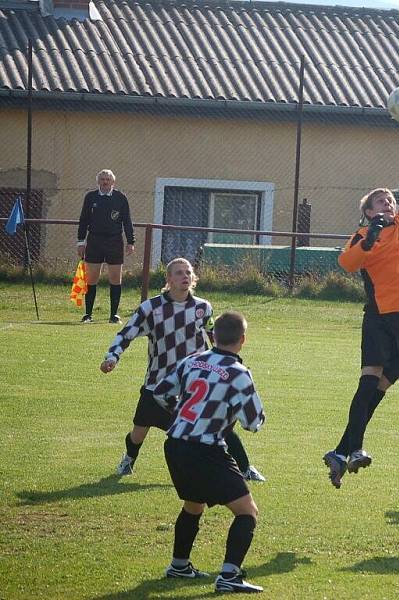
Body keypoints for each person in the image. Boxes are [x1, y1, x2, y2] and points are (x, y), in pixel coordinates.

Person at [323, 119, 399, 488]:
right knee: (368, 384)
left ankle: (339, 451)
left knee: (379, 389)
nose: (389, 201)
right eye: (380, 200)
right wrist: (369, 239)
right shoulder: (365, 233)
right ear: (367, 211)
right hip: (379, 318)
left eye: (390, 198)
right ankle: (354, 449)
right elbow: (347, 263)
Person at [100, 258, 265, 482]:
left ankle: (245, 468)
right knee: (140, 430)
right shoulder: (151, 308)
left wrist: (225, 363)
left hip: (195, 381)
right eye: (178, 273)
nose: (184, 277)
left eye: (188, 272)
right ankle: (128, 459)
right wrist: (113, 356)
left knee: (220, 425)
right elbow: (125, 334)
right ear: (168, 279)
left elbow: (214, 337)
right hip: (159, 382)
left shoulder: (203, 307)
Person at [152, 311, 266, 593]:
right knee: (247, 512)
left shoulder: (193, 360)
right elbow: (253, 422)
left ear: (213, 336)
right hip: (205, 449)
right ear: (242, 340)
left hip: (175, 444)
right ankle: (229, 576)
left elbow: (161, 392)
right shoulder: (239, 373)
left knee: (194, 504)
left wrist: (183, 413)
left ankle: (179, 566)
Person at [77, 169, 135, 324]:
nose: (104, 182)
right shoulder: (90, 197)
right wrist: (81, 242)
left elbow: (127, 221)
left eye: (107, 179)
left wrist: (131, 241)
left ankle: (114, 315)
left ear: (113, 182)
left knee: (115, 278)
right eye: (102, 179)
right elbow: (83, 220)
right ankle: (88, 314)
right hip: (94, 240)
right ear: (98, 181)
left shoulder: (121, 198)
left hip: (115, 241)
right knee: (92, 277)